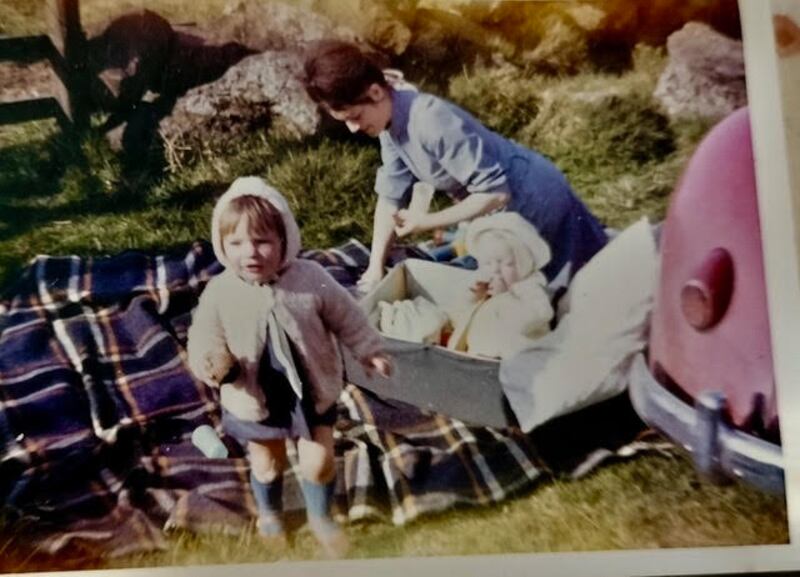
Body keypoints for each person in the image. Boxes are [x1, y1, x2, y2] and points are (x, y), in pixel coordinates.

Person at [186, 176, 392, 558]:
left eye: (263, 240)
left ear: (285, 240)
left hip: (311, 393)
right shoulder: (220, 291)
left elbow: (347, 316)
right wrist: (211, 363)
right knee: (267, 464)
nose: (251, 252)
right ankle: (270, 514)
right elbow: (203, 338)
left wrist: (370, 349)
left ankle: (321, 517)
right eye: (237, 243)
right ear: (222, 246)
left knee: (319, 462)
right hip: (253, 396)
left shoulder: (310, 279)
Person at [302, 40, 608, 291]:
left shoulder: (430, 119)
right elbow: (389, 195)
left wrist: (429, 222)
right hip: (496, 213)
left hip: (532, 201)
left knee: (571, 292)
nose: (354, 129)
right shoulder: (389, 121)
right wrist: (375, 267)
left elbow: (495, 193)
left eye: (355, 118)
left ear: (375, 92)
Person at [448, 212, 554, 359]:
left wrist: (511, 292)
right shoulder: (484, 288)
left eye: (507, 264)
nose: (495, 270)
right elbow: (457, 316)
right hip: (477, 356)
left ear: (524, 264)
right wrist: (473, 296)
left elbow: (541, 313)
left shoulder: (528, 289)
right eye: (487, 263)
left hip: (514, 361)